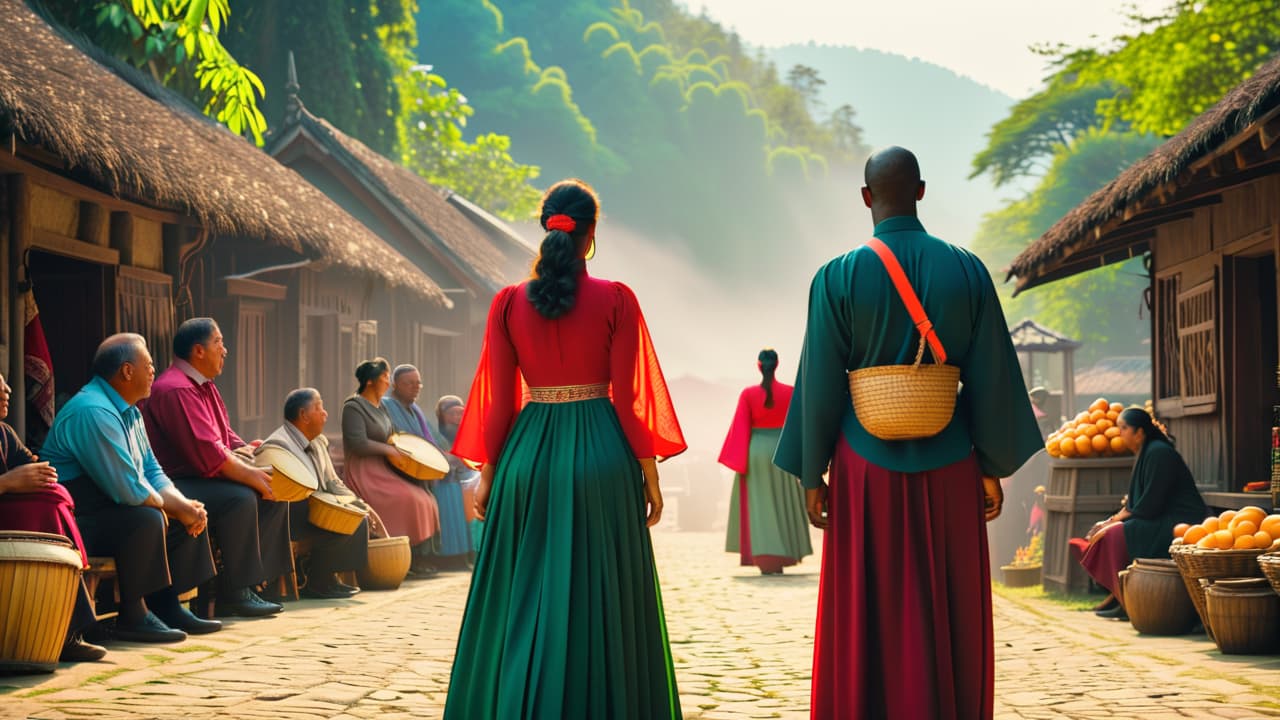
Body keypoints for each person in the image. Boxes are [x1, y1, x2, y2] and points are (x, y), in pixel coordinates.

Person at [774, 147, 1042, 720]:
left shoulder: (837, 276)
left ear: (867, 197)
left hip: (864, 469)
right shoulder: (967, 270)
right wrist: (990, 465)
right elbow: (991, 375)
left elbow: (820, 382)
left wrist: (811, 472)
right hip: (950, 466)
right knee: (947, 606)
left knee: (867, 608)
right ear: (921, 191)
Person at [444, 179, 687, 719]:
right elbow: (628, 397)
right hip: (602, 455)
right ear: (591, 234)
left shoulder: (507, 304)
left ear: (545, 228)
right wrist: (649, 472)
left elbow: (499, 400)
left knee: (518, 594)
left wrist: (488, 475)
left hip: (527, 458)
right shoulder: (617, 300)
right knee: (603, 600)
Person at [41, 334, 221, 642]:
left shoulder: (131, 411)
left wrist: (184, 506)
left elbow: (151, 469)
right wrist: (174, 508)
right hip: (75, 518)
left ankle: (169, 605)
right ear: (126, 371)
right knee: (148, 518)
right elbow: (127, 489)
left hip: (108, 506)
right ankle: (133, 615)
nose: (154, 371)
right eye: (148, 365)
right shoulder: (92, 410)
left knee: (185, 511)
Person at [140, 318, 287, 618]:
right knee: (241, 498)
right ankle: (234, 591)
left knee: (277, 495)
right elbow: (208, 453)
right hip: (175, 481)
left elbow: (224, 436)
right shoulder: (175, 389)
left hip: (203, 474)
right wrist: (254, 476)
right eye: (219, 343)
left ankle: (255, 583)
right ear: (198, 351)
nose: (225, 350)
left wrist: (246, 449)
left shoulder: (204, 386)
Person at [0, 372, 107, 662]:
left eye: (6, 382)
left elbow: (33, 467)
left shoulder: (4, 433)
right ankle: (67, 633)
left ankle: (65, 632)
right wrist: (7, 483)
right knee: (47, 507)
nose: (7, 389)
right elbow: (13, 480)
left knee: (53, 498)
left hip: (17, 531)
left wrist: (42, 476)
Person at [1078, 408, 1207, 620]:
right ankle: (1121, 596)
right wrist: (1108, 521)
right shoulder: (1147, 451)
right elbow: (1135, 503)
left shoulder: (1159, 452)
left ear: (1139, 432)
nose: (1120, 434)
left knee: (1117, 534)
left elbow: (1150, 505)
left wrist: (1111, 525)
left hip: (1179, 521)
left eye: (1124, 428)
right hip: (1158, 516)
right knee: (1113, 530)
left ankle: (1127, 600)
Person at [258, 388, 374, 599]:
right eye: (319, 407)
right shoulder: (278, 445)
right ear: (304, 415)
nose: (325, 413)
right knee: (339, 521)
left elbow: (332, 481)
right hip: (290, 511)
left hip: (317, 507)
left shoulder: (319, 441)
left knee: (357, 517)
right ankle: (319, 582)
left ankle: (326, 578)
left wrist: (357, 503)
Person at [341, 358, 440, 577]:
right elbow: (357, 443)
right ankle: (401, 554)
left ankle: (411, 555)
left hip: (384, 468)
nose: (388, 382)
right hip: (365, 470)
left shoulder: (381, 407)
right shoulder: (353, 407)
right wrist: (389, 451)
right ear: (369, 382)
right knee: (409, 498)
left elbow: (393, 435)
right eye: (385, 377)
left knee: (425, 497)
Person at [718, 348, 812, 574]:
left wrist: (738, 458)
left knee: (760, 506)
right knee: (784, 501)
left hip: (756, 451)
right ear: (777, 364)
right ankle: (784, 551)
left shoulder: (748, 394)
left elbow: (740, 428)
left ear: (759, 366)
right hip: (784, 450)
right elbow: (801, 425)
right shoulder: (790, 392)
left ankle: (764, 554)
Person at [384, 365, 470, 568]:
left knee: (456, 486)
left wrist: (445, 460)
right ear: (395, 385)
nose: (415, 387)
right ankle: (432, 556)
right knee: (436, 493)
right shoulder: (388, 406)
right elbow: (403, 440)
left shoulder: (415, 410)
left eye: (418, 383)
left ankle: (457, 555)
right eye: (409, 383)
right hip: (403, 467)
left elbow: (432, 440)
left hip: (426, 465)